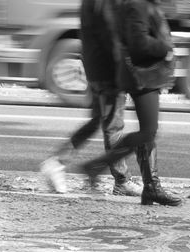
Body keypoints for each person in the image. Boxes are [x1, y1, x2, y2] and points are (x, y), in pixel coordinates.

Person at [81, 0, 182, 206]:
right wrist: (165, 48)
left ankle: (151, 187)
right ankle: (97, 166)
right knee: (148, 131)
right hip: (141, 77)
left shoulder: (140, 4)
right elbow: (139, 43)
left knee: (148, 132)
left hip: (143, 76)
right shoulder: (137, 4)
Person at [40, 0, 142, 196]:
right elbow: (113, 36)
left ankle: (57, 161)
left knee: (98, 121)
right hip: (108, 70)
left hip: (94, 66)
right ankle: (122, 181)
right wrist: (125, 71)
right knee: (113, 125)